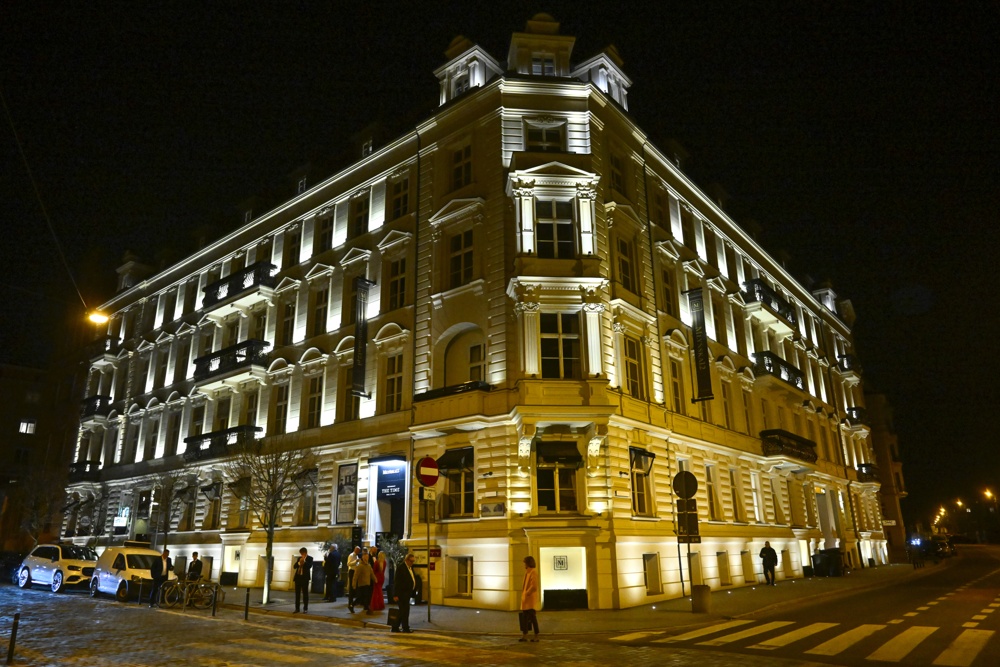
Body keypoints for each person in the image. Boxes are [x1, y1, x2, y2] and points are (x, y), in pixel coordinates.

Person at [391, 553, 416, 633]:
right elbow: (397, 582)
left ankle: (403, 627)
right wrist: (395, 594)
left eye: (413, 561)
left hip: (407, 594)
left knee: (405, 611)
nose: (412, 563)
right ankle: (398, 627)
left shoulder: (410, 568)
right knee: (403, 611)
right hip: (401, 594)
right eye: (411, 561)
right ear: (407, 560)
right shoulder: (401, 568)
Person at [520, 555, 540, 642]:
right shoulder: (527, 572)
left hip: (530, 600)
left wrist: (527, 593)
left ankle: (536, 635)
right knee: (524, 618)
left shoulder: (533, 572)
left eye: (525, 563)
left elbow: (534, 586)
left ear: (528, 563)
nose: (524, 564)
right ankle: (525, 635)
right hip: (526, 599)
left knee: (532, 618)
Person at [293, 547, 313, 613]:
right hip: (298, 578)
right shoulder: (299, 558)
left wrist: (304, 562)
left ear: (305, 553)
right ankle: (297, 608)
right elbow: (294, 566)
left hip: (305, 578)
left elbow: (309, 566)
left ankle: (305, 608)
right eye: (301, 553)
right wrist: (299, 562)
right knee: (297, 594)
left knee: (305, 594)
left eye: (302, 553)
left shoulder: (310, 558)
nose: (301, 555)